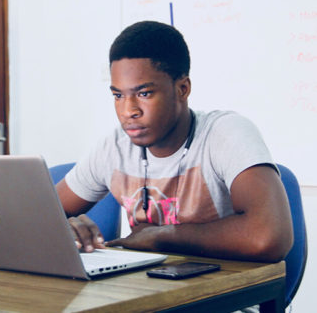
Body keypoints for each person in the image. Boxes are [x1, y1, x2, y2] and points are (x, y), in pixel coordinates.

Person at [56, 21, 293, 263]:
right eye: (118, 95)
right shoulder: (114, 146)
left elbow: (269, 237)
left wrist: (163, 236)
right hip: (148, 292)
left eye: (144, 93)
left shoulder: (225, 133)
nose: (128, 111)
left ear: (182, 88)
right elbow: (35, 216)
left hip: (228, 295)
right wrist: (66, 227)